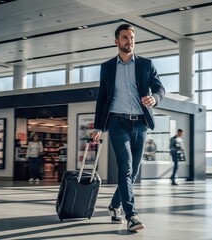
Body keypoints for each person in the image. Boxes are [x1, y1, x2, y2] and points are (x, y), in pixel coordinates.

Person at [91, 24, 165, 232]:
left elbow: (160, 88)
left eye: (132, 37)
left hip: (141, 123)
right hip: (117, 123)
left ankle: (114, 205)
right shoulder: (107, 67)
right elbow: (102, 98)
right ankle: (131, 214)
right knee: (125, 168)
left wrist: (154, 98)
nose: (129, 41)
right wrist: (98, 126)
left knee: (133, 172)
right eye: (125, 37)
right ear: (116, 41)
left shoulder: (145, 64)